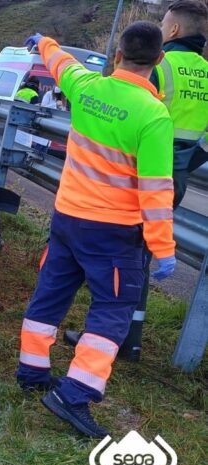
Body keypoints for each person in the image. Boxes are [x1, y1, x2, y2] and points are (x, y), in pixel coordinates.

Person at [17, 23, 176, 438]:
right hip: (113, 233)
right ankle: (74, 394)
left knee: (51, 292)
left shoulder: (87, 86)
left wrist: (43, 41)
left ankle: (32, 371)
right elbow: (157, 190)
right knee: (113, 309)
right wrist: (163, 248)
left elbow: (60, 63)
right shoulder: (153, 115)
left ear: (118, 55)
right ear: (159, 61)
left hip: (67, 218)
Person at [64, 0, 208, 362]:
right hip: (178, 177)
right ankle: (131, 338)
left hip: (135, 179)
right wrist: (188, 161)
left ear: (173, 31)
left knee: (118, 261)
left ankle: (113, 337)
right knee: (138, 260)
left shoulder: (160, 65)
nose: (160, 28)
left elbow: (125, 114)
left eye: (163, 23)